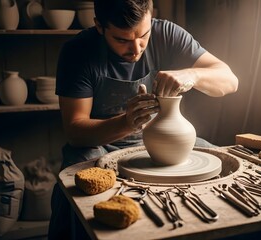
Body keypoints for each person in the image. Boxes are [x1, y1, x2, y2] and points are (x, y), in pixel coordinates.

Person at [48, 0, 238, 239]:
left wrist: (192, 74)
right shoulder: (78, 51)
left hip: (161, 141)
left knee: (221, 163)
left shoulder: (167, 34)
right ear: (99, 26)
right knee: (79, 188)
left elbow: (230, 81)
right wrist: (126, 123)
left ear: (151, 16)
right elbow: (76, 131)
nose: (136, 49)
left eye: (143, 36)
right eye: (122, 40)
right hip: (100, 145)